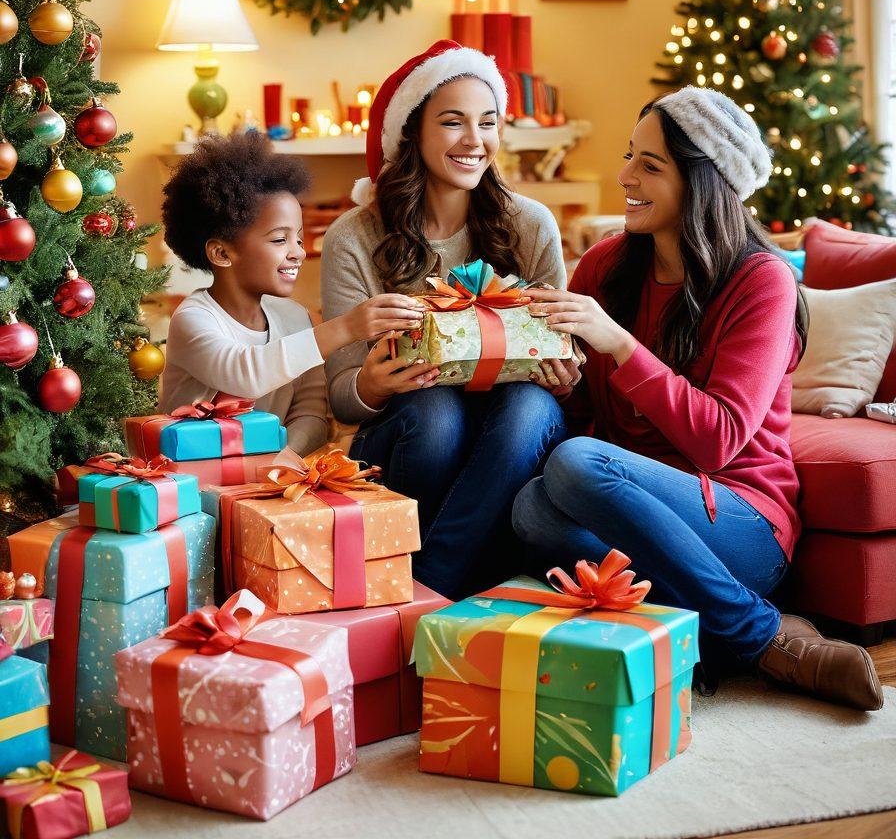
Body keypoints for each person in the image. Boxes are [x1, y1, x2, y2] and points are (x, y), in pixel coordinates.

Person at [513, 87, 883, 712]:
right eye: (631, 156)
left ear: (703, 183)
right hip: (645, 522)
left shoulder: (761, 280)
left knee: (578, 464)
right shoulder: (604, 267)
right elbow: (583, 417)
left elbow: (718, 439)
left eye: (650, 166)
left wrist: (620, 344)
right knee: (531, 505)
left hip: (742, 521)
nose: (624, 176)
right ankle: (703, 626)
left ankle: (760, 636)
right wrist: (563, 383)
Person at [321, 41, 571, 598]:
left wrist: (564, 373)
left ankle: (428, 585)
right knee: (435, 411)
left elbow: (564, 358)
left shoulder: (531, 226)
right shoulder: (354, 238)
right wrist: (370, 384)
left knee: (532, 405)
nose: (474, 141)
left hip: (509, 440)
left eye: (488, 123)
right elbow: (341, 399)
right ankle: (449, 581)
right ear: (413, 131)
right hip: (407, 442)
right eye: (453, 122)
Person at [160, 131, 424, 455]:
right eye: (278, 240)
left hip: (266, 483)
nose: (297, 253)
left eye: (298, 239)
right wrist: (345, 327)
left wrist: (285, 458)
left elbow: (311, 412)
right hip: (190, 488)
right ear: (222, 254)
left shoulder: (295, 317)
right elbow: (246, 374)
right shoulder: (193, 319)